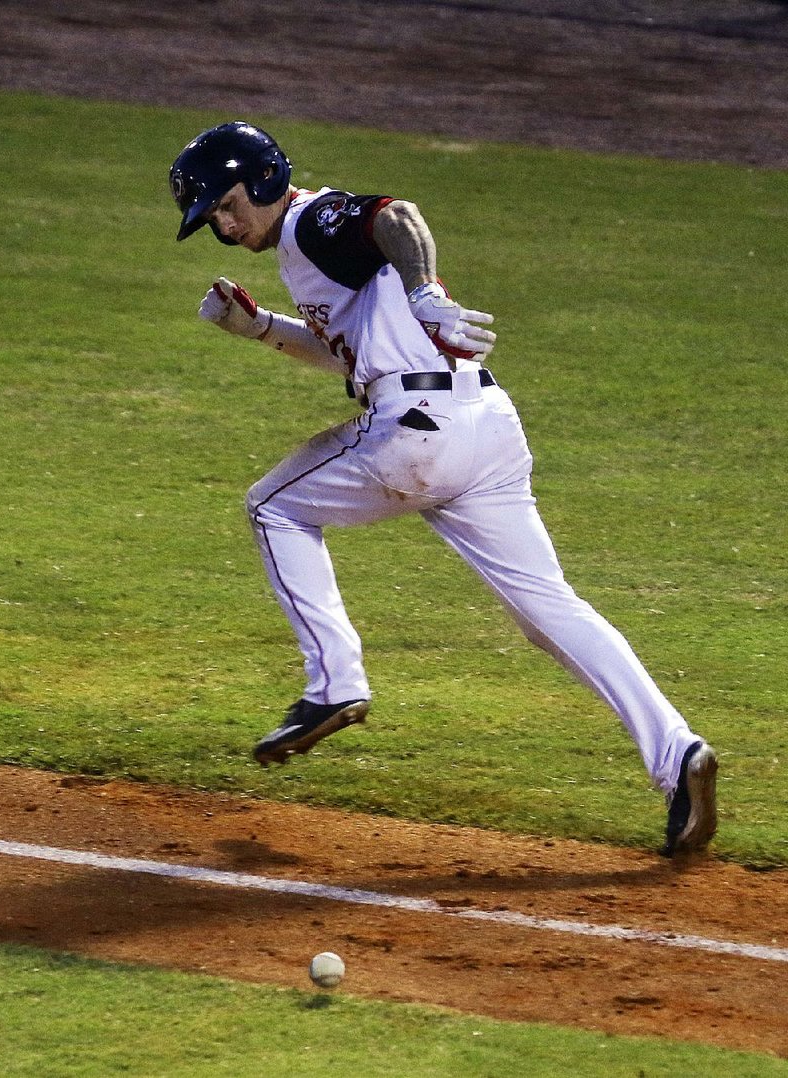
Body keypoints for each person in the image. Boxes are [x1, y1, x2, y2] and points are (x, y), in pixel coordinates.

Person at [169, 121, 718, 857]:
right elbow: (360, 356)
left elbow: (396, 216)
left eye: (229, 205)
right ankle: (678, 753)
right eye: (213, 220)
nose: (227, 226)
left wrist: (424, 289)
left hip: (419, 433)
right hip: (483, 426)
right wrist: (259, 327)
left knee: (274, 507)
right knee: (550, 611)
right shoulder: (306, 250)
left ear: (266, 180)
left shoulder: (310, 221)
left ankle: (335, 683)